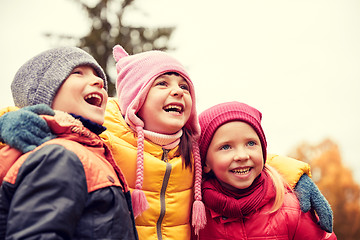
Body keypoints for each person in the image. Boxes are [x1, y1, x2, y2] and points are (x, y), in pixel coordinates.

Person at [0, 45, 333, 239]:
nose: (177, 91)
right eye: (162, 83)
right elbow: (58, 114)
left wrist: (293, 173)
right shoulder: (108, 133)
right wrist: (15, 117)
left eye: (184, 86)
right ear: (136, 99)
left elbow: (238, 147)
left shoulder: (194, 149)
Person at [0, 47, 138, 239]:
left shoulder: (91, 152)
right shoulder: (59, 156)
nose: (99, 81)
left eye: (98, 76)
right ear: (44, 95)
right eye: (78, 73)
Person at [195, 101, 336, 239]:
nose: (242, 156)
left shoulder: (291, 206)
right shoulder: (195, 213)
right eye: (226, 147)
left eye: (251, 143)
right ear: (205, 162)